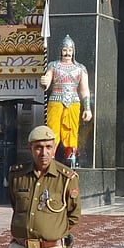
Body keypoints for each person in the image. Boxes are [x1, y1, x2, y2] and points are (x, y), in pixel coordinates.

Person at [41, 35, 92, 167]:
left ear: (73, 51)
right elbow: (47, 82)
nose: (67, 53)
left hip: (73, 102)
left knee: (71, 131)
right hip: (56, 100)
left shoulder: (80, 68)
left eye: (70, 50)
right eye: (65, 50)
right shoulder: (53, 65)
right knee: (52, 131)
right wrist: (44, 82)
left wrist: (87, 108)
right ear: (60, 50)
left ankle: (71, 159)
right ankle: (50, 158)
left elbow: (84, 90)